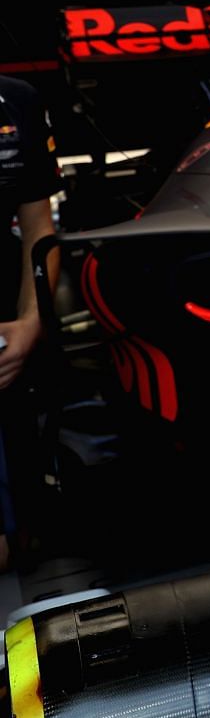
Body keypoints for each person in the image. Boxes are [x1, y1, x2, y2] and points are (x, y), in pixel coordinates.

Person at [0, 74, 60, 569]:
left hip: (5, 322)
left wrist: (29, 323)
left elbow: (39, 228)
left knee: (19, 543)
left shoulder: (16, 102)